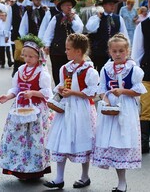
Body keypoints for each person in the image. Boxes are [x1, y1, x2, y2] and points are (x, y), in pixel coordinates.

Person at [44, 33, 99, 189]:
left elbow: (92, 93)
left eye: (68, 49)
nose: (65, 51)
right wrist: (61, 89)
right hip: (66, 108)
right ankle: (59, 178)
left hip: (82, 109)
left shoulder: (89, 70)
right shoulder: (64, 68)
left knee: (83, 140)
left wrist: (73, 93)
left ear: (78, 52)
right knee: (61, 139)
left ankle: (84, 176)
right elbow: (62, 85)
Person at [93, 34, 146, 192]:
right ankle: (120, 180)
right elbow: (102, 88)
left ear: (127, 51)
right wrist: (106, 99)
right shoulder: (106, 68)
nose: (117, 54)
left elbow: (138, 91)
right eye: (114, 51)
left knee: (122, 142)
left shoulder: (134, 70)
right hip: (110, 110)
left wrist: (123, 91)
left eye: (121, 51)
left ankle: (122, 182)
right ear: (109, 51)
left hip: (126, 109)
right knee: (113, 143)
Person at [0, 34, 52, 180]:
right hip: (20, 109)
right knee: (18, 137)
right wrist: (8, 96)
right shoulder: (21, 70)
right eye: (25, 56)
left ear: (38, 57)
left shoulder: (42, 72)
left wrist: (34, 93)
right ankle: (18, 168)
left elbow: (47, 92)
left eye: (31, 57)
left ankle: (34, 170)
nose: (27, 59)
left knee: (33, 139)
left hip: (36, 110)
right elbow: (15, 88)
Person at [131, 0, 150, 154]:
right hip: (148, 70)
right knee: (145, 108)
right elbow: (137, 51)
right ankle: (144, 141)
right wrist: (136, 71)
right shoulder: (143, 25)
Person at [43, 0, 84, 85]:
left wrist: (72, 20)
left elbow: (79, 29)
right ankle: (58, 87)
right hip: (57, 49)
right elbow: (49, 32)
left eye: (70, 5)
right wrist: (47, 45)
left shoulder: (75, 17)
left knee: (70, 69)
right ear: (61, 7)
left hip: (71, 49)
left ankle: (69, 87)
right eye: (66, 5)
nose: (69, 7)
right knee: (57, 69)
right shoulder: (56, 18)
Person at [86, 0, 129, 73]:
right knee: (101, 72)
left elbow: (124, 34)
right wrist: (98, 18)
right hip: (100, 52)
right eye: (110, 4)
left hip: (115, 52)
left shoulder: (118, 18)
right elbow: (90, 29)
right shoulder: (96, 18)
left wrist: (126, 49)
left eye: (113, 4)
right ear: (104, 6)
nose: (112, 6)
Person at [6, 0, 28, 77]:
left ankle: (24, 69)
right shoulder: (13, 7)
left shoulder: (28, 6)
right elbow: (9, 20)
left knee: (25, 52)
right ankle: (16, 68)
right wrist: (6, 33)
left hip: (27, 33)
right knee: (18, 50)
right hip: (16, 32)